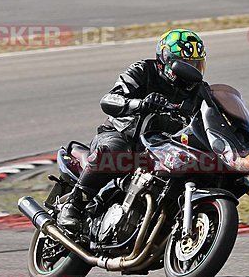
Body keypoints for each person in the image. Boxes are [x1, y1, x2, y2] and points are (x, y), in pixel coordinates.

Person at [57, 29, 207, 233]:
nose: (193, 70)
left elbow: (217, 114)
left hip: (161, 148)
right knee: (117, 149)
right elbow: (109, 99)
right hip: (123, 135)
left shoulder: (200, 90)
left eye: (197, 64)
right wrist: (139, 104)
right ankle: (73, 206)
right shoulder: (143, 70)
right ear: (168, 60)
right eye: (188, 64)